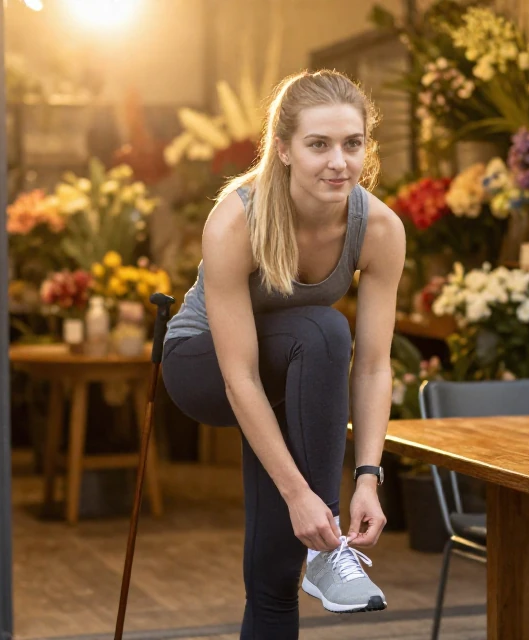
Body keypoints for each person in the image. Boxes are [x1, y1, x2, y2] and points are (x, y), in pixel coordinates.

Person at [160, 69, 406, 638]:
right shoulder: (237, 220)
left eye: (352, 144)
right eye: (318, 145)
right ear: (284, 149)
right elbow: (239, 376)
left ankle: (314, 555)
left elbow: (373, 366)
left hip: (289, 379)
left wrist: (368, 478)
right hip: (204, 366)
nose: (338, 162)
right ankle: (327, 552)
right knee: (323, 330)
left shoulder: (380, 230)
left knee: (275, 574)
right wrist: (302, 494)